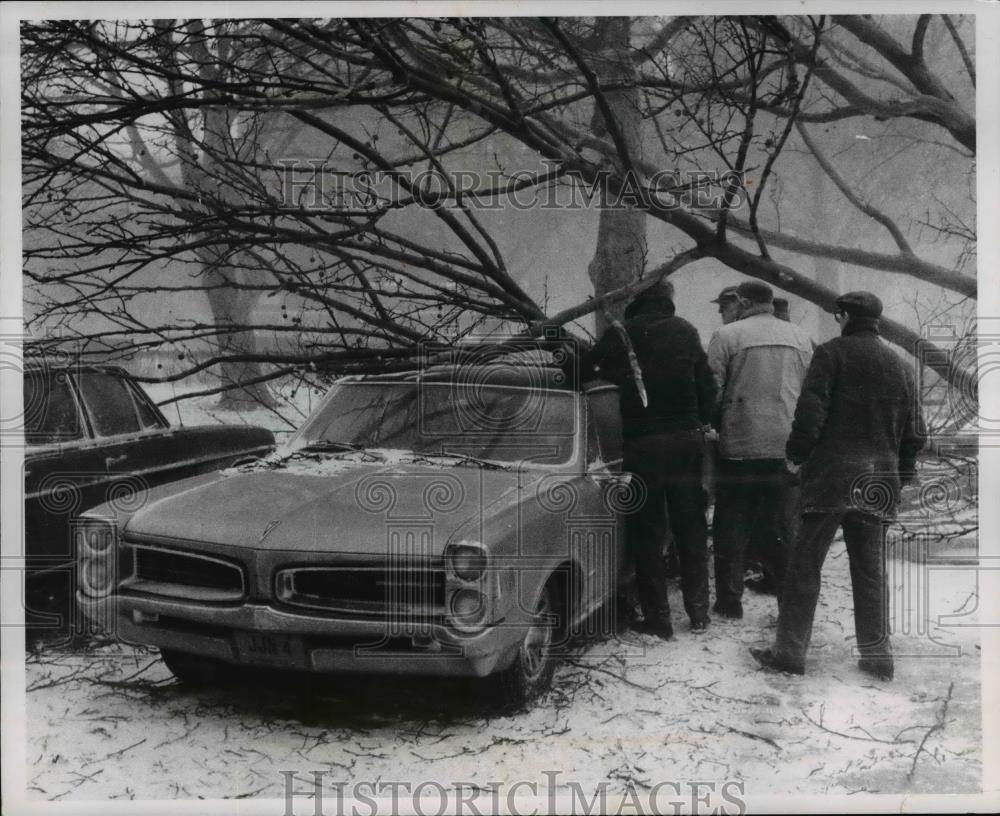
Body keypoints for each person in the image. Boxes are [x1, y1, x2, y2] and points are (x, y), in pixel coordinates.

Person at [750, 292, 925, 679]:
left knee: (803, 567)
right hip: (878, 481)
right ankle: (878, 656)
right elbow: (915, 433)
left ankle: (790, 653)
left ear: (845, 316)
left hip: (830, 479)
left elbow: (811, 411)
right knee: (869, 573)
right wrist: (902, 472)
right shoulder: (901, 366)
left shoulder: (831, 353)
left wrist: (796, 453)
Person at [583, 280, 716, 639]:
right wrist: (702, 421)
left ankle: (659, 620)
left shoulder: (620, 333)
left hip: (642, 445)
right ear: (668, 302)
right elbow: (706, 384)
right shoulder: (686, 330)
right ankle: (699, 613)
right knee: (690, 527)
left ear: (637, 302)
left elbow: (587, 371)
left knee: (648, 532)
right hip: (686, 441)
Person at [707, 281, 814, 619]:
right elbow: (811, 390)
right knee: (782, 527)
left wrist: (715, 423)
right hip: (785, 443)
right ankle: (786, 599)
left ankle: (729, 601)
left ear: (742, 301)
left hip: (739, 444)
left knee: (731, 524)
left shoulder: (727, 336)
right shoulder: (800, 337)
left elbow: (713, 389)